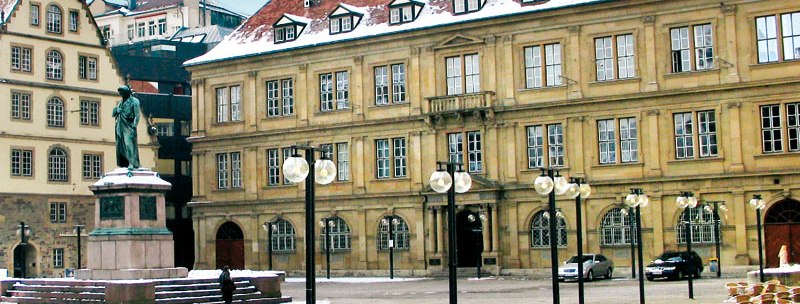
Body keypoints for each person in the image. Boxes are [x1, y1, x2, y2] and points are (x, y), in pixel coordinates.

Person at [113, 86, 141, 170]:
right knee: (120, 145)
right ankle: (124, 163)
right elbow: (113, 114)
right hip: (120, 125)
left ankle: (132, 162)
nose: (121, 95)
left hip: (129, 126)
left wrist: (134, 127)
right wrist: (116, 110)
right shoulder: (121, 102)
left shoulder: (134, 101)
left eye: (122, 93)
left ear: (126, 92)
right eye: (120, 93)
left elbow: (137, 115)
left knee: (128, 144)